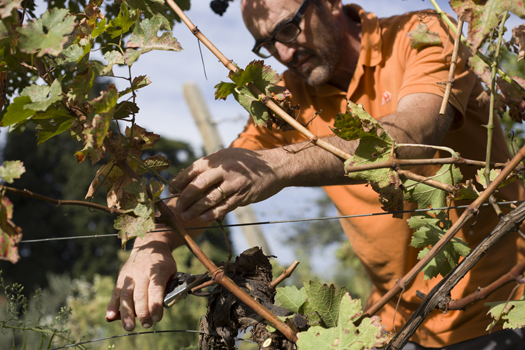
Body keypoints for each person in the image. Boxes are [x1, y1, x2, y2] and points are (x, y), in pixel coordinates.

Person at [106, 0, 525, 348]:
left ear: (330, 3)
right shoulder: (287, 98)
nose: (284, 53)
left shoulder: (422, 32)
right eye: (266, 45)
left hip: (505, 309)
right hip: (404, 325)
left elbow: (416, 135)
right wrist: (153, 243)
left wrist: (280, 164)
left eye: (288, 28)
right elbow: (224, 175)